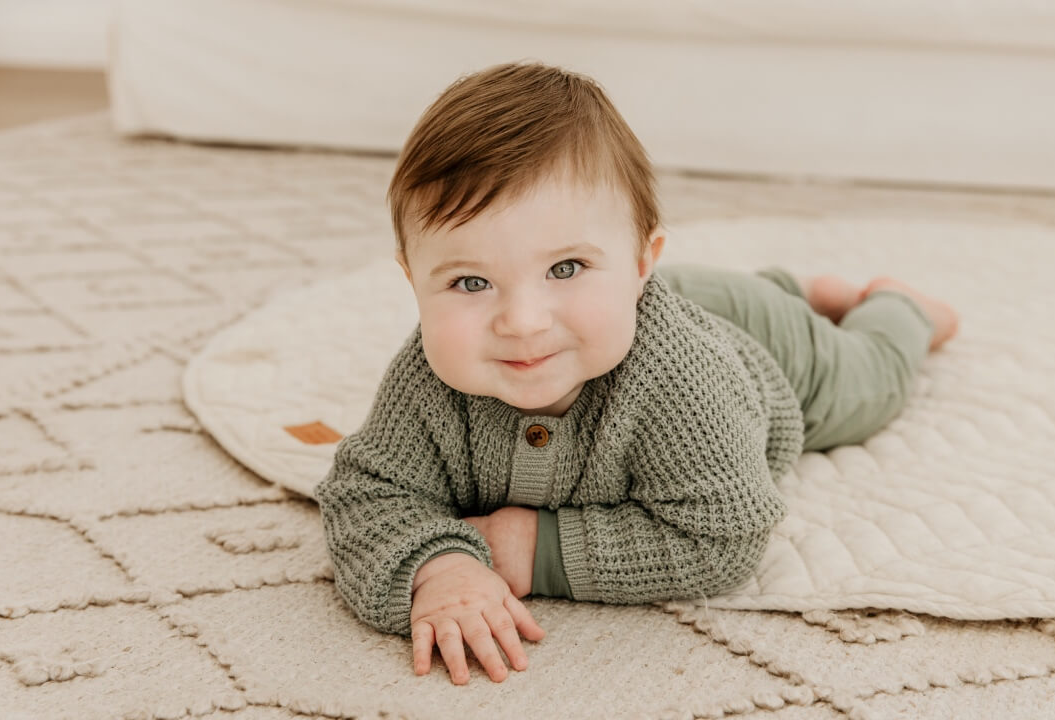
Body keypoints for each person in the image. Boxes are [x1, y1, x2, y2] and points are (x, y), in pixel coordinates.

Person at [316, 60, 960, 687]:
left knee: (870, 385)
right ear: (412, 280)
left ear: (641, 260)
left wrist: (528, 548)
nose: (523, 321)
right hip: (656, 300)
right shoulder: (428, 377)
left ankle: (895, 307)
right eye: (471, 282)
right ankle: (793, 287)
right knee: (655, 301)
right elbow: (365, 492)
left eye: (565, 267)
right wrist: (442, 566)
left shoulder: (682, 380)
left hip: (772, 351)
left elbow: (724, 537)